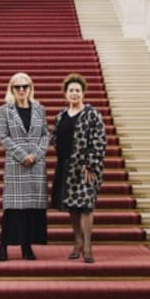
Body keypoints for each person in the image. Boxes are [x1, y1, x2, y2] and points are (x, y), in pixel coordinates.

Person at [51, 73, 106, 263]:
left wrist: (91, 165)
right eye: (71, 90)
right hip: (65, 166)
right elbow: (54, 140)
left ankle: (88, 246)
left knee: (86, 206)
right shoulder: (61, 116)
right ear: (65, 94)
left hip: (84, 168)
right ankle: (77, 242)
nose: (74, 94)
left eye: (77, 90)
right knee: (72, 207)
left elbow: (99, 141)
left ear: (83, 93)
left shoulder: (92, 114)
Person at [0, 72, 48, 261]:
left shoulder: (39, 109)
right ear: (11, 89)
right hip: (16, 165)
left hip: (35, 165)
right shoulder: (5, 110)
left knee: (30, 210)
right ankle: (3, 246)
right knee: (12, 209)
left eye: (24, 86)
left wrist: (35, 155)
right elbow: (3, 137)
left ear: (30, 88)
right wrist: (21, 155)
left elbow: (45, 135)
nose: (21, 90)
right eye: (17, 87)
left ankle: (27, 247)